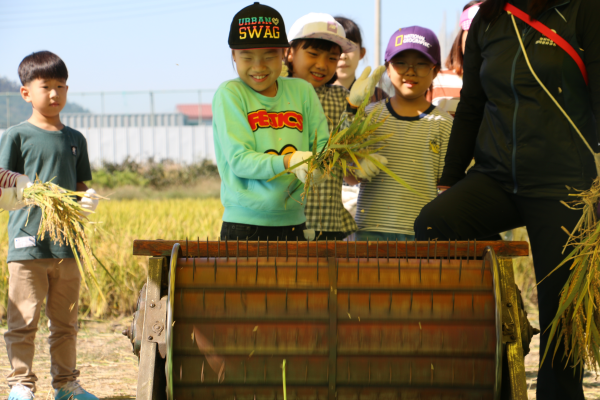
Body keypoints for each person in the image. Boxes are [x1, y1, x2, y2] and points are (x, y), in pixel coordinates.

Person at [413, 0, 600, 398]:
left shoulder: (585, 10)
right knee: (436, 221)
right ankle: (506, 327)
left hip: (564, 182)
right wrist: (450, 178)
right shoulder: (489, 17)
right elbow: (473, 104)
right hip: (496, 173)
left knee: (563, 306)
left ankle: (560, 394)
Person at [1, 51, 99, 400]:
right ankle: (21, 385)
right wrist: (24, 188)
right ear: (26, 92)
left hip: (67, 246)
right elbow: (1, 181)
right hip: (27, 244)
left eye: (61, 86)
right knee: (22, 321)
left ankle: (67, 386)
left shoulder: (75, 139)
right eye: (46, 87)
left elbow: (79, 186)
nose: (54, 94)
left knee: (66, 323)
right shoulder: (16, 135)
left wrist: (87, 200)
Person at [215, 3, 330, 241]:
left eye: (269, 56)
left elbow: (323, 147)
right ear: (233, 55)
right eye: (247, 57)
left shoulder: (302, 92)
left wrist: (320, 167)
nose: (259, 67)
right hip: (244, 225)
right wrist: (290, 161)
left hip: (294, 222)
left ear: (284, 53)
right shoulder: (230, 94)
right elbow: (239, 160)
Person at [345, 26, 453, 241]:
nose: (410, 71)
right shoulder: (368, 116)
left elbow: (447, 189)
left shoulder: (443, 124)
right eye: (400, 62)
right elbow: (350, 177)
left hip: (421, 234)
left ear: (435, 70)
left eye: (421, 64)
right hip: (369, 232)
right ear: (387, 68)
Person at [285, 12, 385, 240]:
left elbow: (348, 159)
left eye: (332, 58)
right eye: (312, 54)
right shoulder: (273, 95)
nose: (322, 65)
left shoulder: (342, 98)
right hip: (280, 221)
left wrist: (360, 164)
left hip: (327, 220)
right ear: (289, 53)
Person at [427, 1, 481, 116]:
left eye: (485, 32)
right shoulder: (435, 80)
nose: (477, 38)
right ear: (460, 37)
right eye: (470, 31)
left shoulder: (503, 83)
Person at [333, 16, 388, 103]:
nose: (343, 56)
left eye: (349, 47)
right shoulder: (310, 94)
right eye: (336, 48)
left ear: (361, 53)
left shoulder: (378, 97)